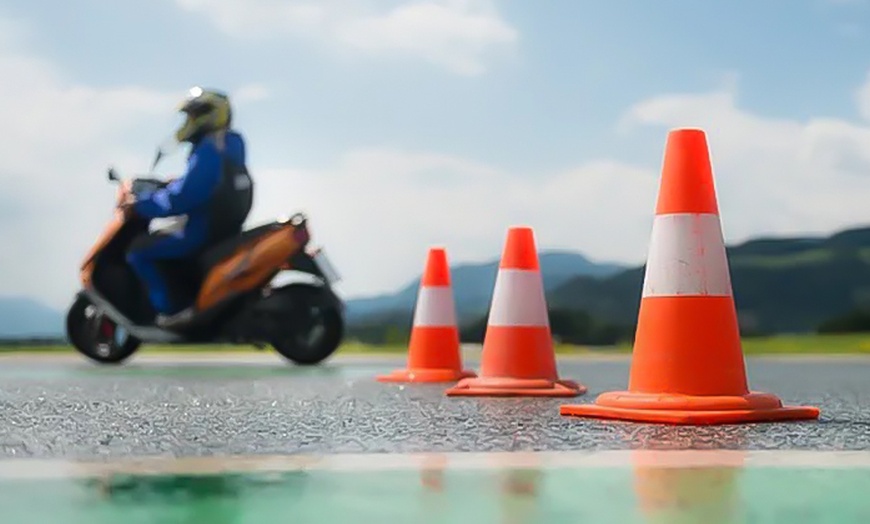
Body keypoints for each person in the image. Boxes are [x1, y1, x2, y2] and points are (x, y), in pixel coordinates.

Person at [123, 86, 254, 328]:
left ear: (208, 115)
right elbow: (204, 184)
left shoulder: (209, 149)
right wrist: (175, 183)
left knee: (139, 251)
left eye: (192, 115)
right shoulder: (230, 143)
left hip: (201, 229)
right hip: (221, 227)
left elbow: (185, 197)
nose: (188, 122)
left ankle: (172, 311)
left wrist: (143, 205)